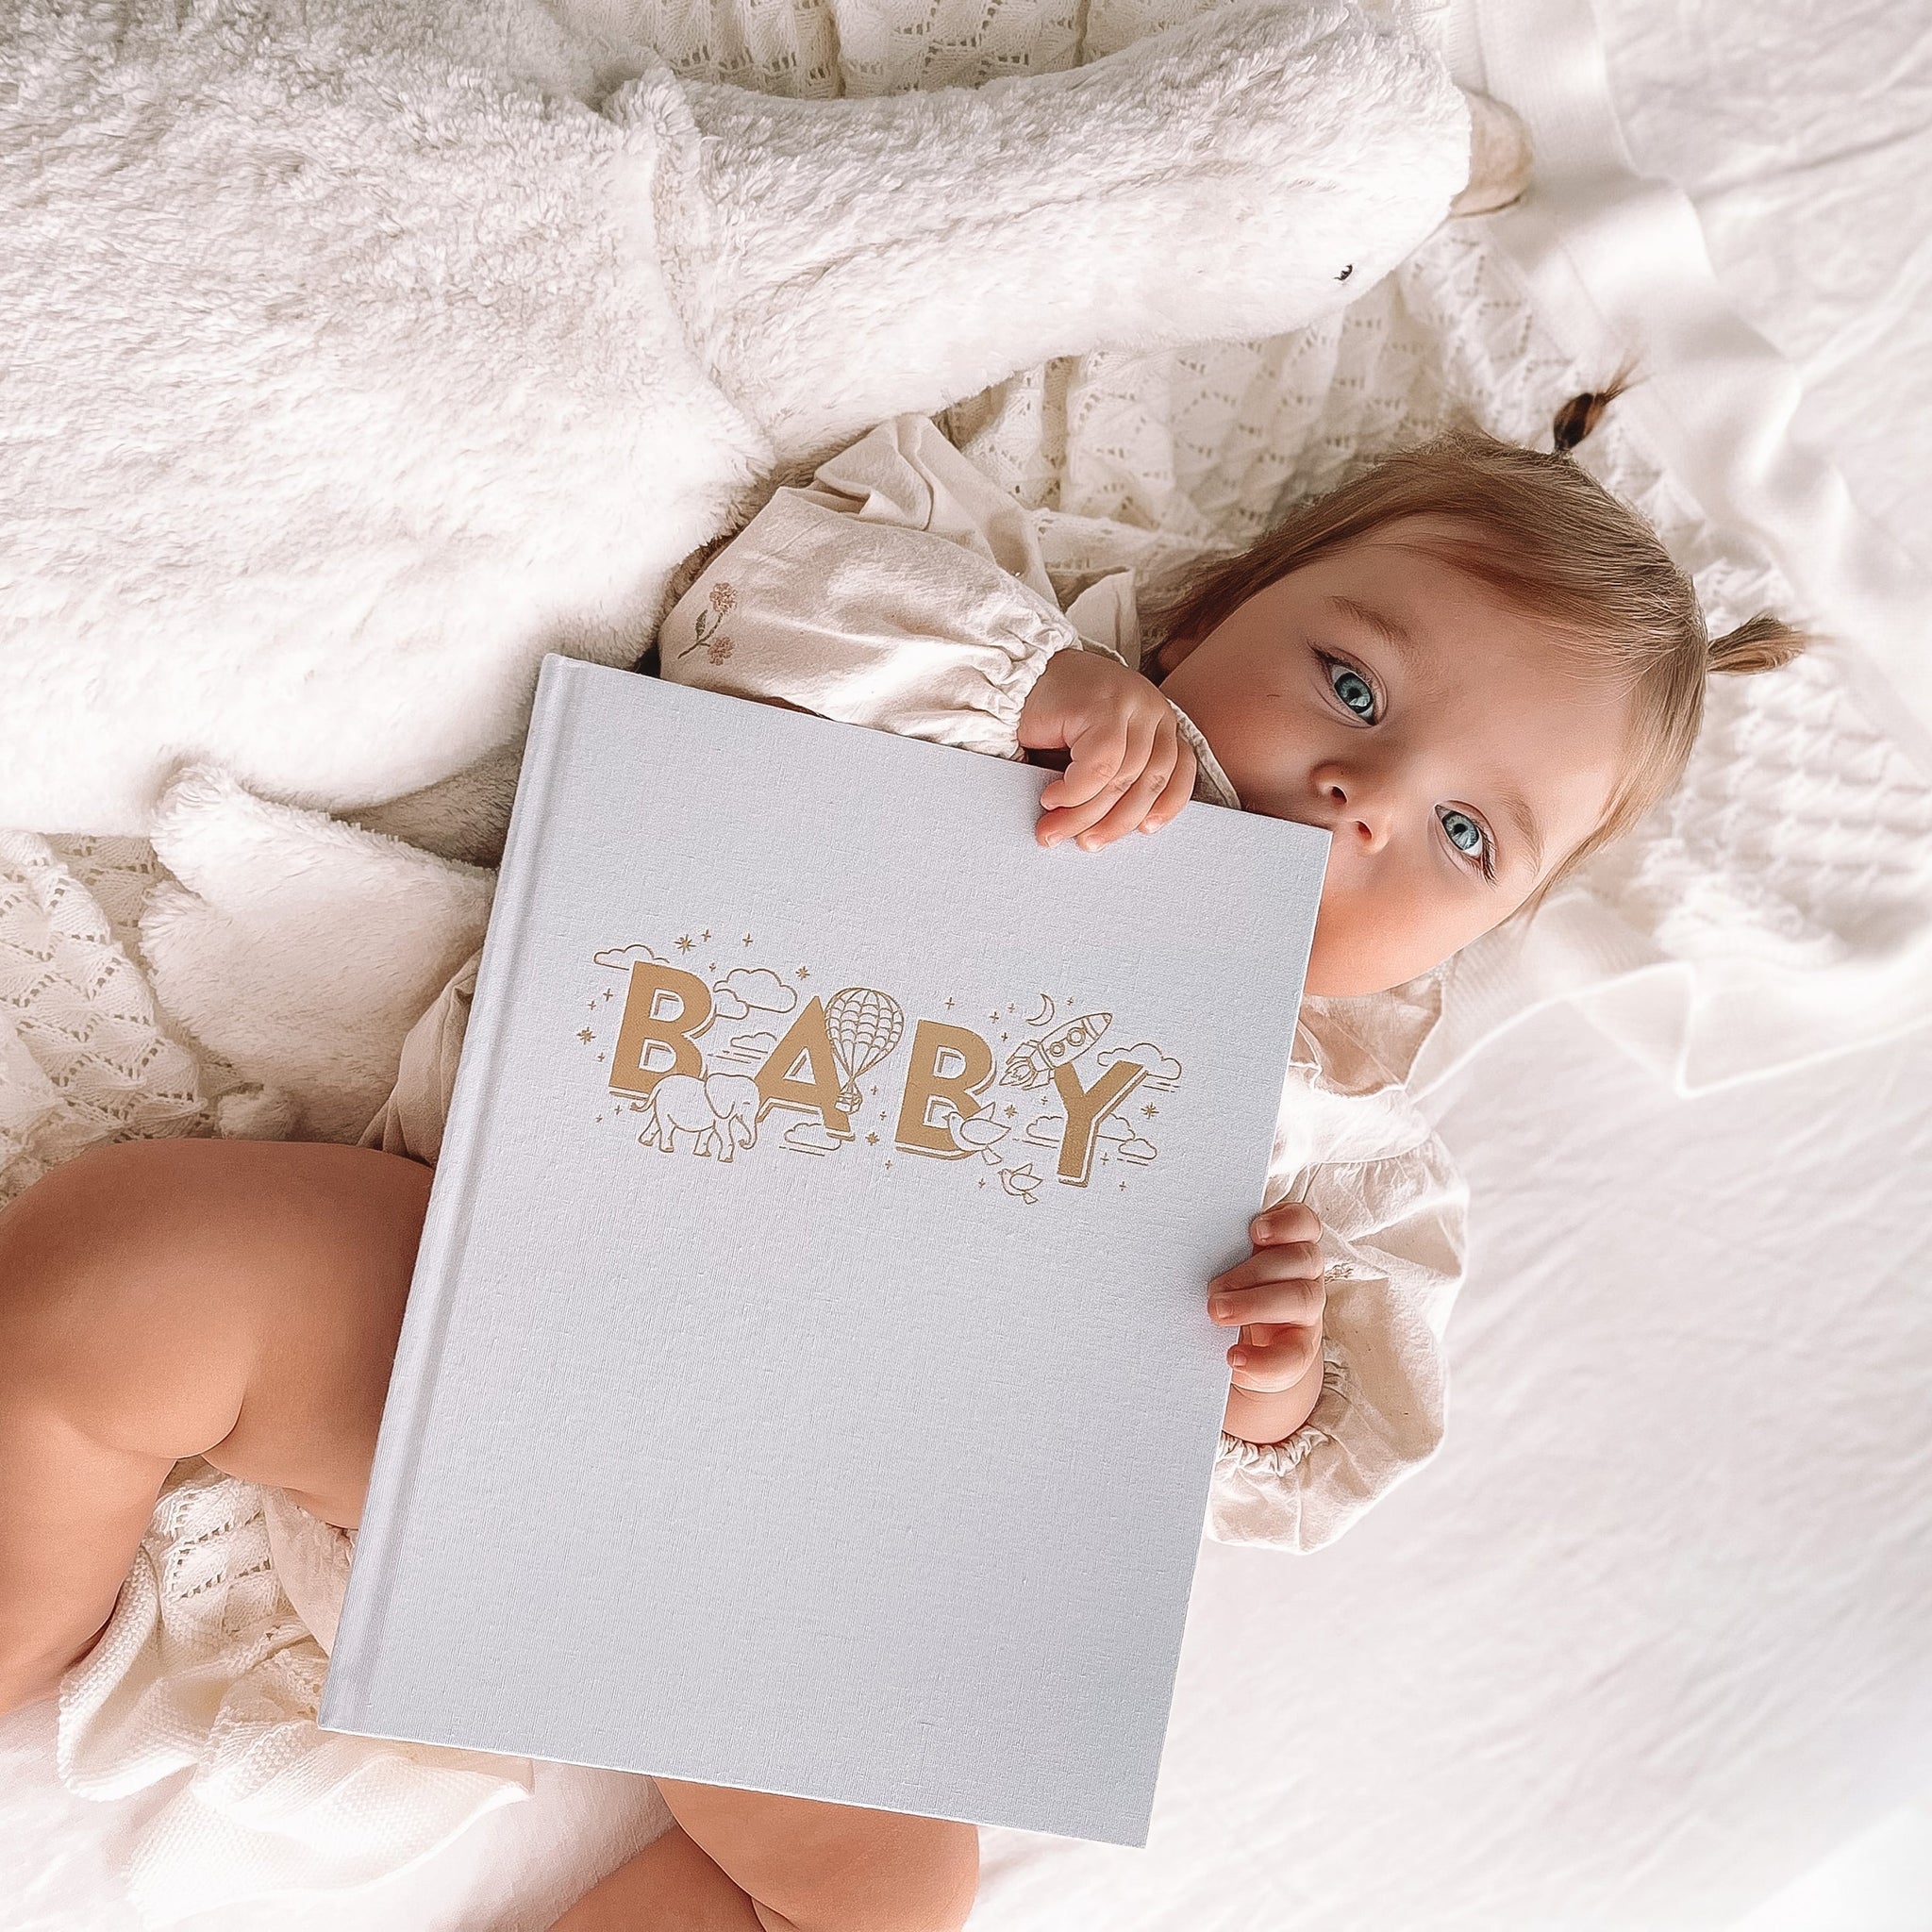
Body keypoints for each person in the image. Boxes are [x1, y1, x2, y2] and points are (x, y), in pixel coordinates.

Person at [0, 398, 1807, 1932]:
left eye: (1469, 835)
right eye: (1349, 682)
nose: (1367, 794)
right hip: (490, 1314)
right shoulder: (987, 701)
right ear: (1207, 610)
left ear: (1481, 937)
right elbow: (752, 602)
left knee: (890, 1900)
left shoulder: (1333, 1150)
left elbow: (1279, 1472)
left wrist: (1262, 1377)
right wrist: (1032, 687)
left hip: (808, 1559)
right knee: (132, 1263)